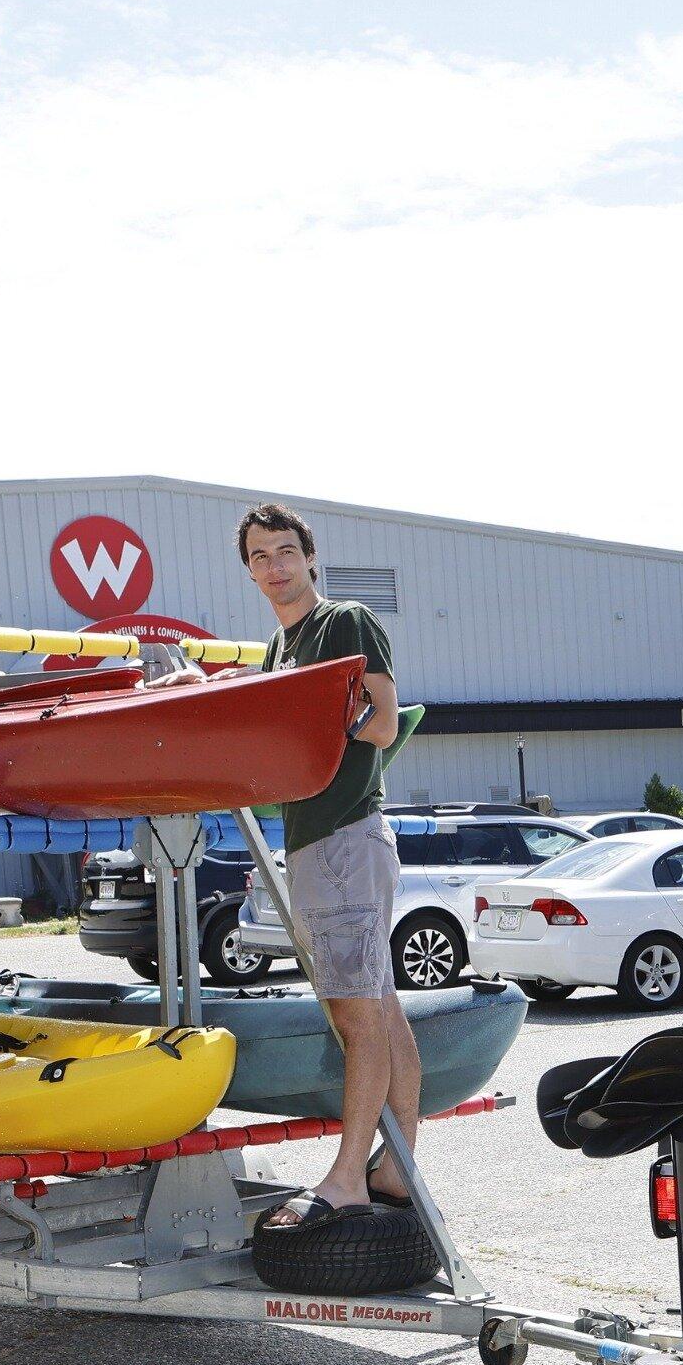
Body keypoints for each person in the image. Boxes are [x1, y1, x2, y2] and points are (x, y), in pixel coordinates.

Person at [231, 503, 420, 1230]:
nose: (275, 567)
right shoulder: (280, 649)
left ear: (310, 558)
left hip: (344, 840)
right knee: (378, 1004)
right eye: (260, 556)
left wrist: (316, 731)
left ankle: (347, 1178)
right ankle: (398, 1167)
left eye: (285, 551)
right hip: (319, 842)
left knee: (354, 1015)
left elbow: (383, 720)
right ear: (249, 570)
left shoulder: (343, 622)